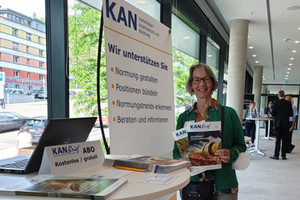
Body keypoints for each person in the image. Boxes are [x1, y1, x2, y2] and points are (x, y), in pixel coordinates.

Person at [173, 63, 246, 200]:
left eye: (206, 79)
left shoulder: (229, 113)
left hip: (224, 184)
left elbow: (241, 145)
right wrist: (180, 161)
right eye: (196, 80)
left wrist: (231, 153)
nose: (202, 84)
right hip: (193, 184)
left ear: (212, 83)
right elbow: (177, 151)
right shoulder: (184, 117)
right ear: (192, 85)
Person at [270, 90, 293, 160]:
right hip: (286, 124)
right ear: (284, 95)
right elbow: (291, 114)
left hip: (278, 124)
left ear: (278, 96)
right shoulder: (288, 103)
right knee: (285, 140)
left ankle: (276, 155)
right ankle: (283, 155)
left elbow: (273, 114)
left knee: (278, 140)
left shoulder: (276, 103)